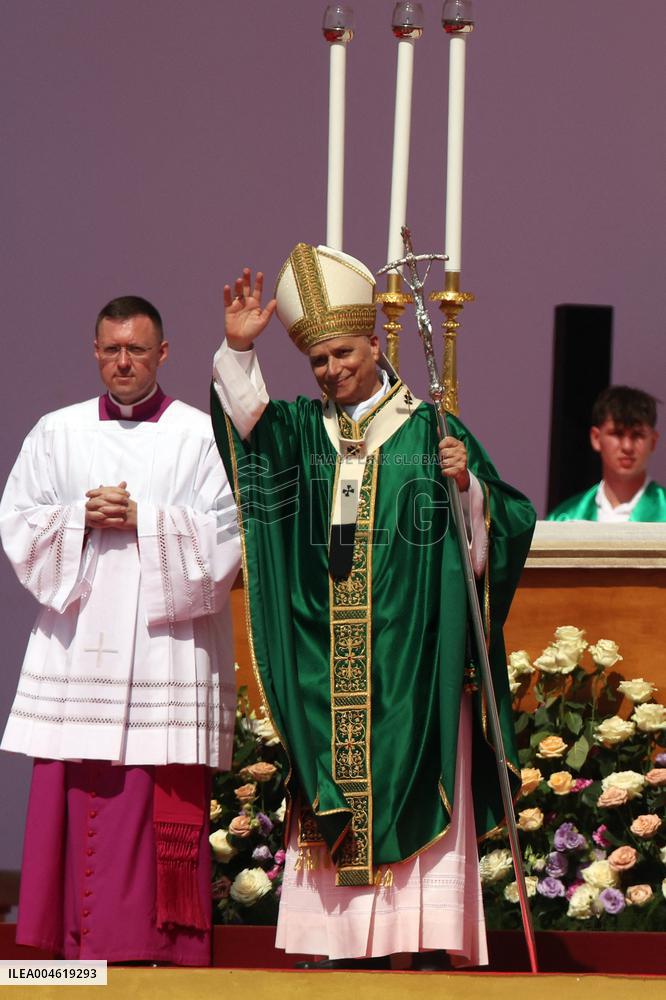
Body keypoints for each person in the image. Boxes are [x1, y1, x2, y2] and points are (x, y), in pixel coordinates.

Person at [211, 244, 536, 969]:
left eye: (342, 353)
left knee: (415, 787)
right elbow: (249, 428)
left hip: (415, 665)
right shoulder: (304, 432)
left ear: (377, 341)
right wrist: (238, 351)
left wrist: (467, 490)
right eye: (319, 360)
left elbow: (503, 526)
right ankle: (338, 947)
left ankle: (418, 945)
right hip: (329, 662)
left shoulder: (430, 431)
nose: (331, 370)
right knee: (335, 789)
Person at [0, 295, 241, 965]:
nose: (123, 362)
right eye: (111, 350)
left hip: (164, 649)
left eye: (137, 349)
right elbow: (17, 522)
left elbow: (228, 536)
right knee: (72, 794)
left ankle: (160, 954)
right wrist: (78, 515)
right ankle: (67, 954)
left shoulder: (199, 435)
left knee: (150, 795)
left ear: (163, 354)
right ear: (96, 353)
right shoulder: (58, 432)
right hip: (80, 649)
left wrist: (148, 519)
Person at [548, 385, 665, 522]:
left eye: (637, 435)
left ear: (653, 441)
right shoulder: (564, 518)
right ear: (596, 438)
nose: (627, 447)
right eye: (617, 434)